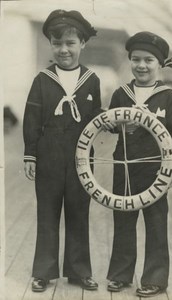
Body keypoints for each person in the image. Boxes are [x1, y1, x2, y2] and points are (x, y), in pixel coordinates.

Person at [23, 9, 102, 292]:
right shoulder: (42, 79)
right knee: (47, 213)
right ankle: (43, 271)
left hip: (81, 158)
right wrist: (30, 154)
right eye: (57, 43)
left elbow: (95, 118)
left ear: (83, 44)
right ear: (51, 45)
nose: (64, 49)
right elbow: (31, 120)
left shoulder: (92, 79)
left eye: (70, 43)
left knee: (79, 213)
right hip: (49, 156)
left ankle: (79, 271)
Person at [103, 31, 172, 297]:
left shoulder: (167, 97)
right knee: (123, 220)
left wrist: (169, 170)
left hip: (155, 170)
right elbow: (114, 127)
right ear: (129, 61)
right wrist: (109, 123)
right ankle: (120, 275)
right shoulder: (121, 93)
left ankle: (155, 278)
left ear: (159, 64)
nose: (141, 65)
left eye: (148, 60)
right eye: (136, 59)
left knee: (156, 223)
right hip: (124, 167)